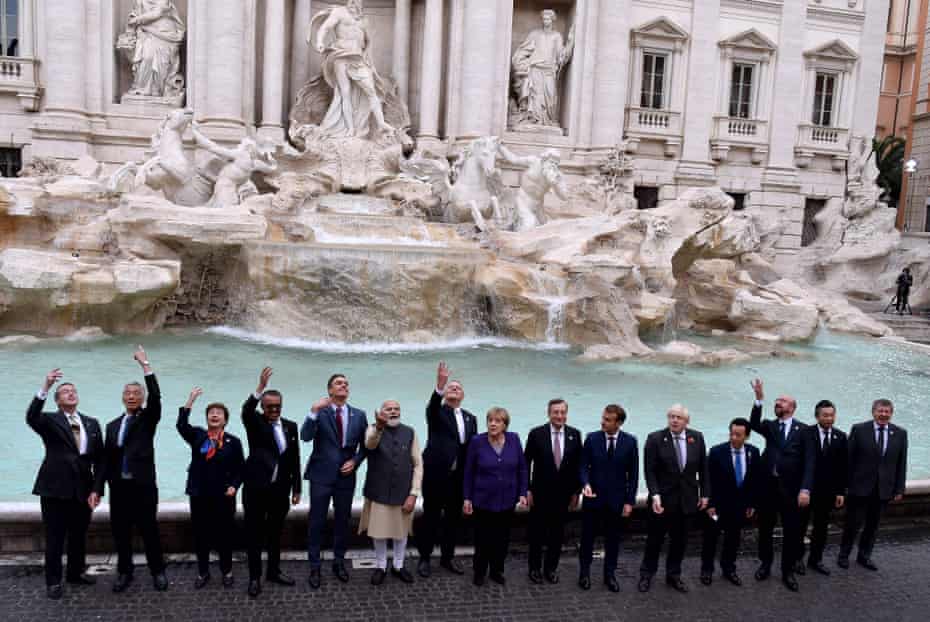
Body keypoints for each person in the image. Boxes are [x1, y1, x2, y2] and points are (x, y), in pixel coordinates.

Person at [27, 369, 105, 599]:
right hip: (54, 488)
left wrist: (97, 489)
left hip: (83, 489)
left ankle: (75, 573)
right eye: (65, 392)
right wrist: (46, 386)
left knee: (79, 535)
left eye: (73, 391)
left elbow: (100, 460)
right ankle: (53, 581)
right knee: (55, 537)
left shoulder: (91, 423)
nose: (70, 394)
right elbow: (31, 416)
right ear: (58, 400)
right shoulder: (49, 420)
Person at [99, 346, 167, 593]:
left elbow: (157, 397)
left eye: (136, 393)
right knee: (121, 534)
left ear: (142, 398)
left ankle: (158, 571)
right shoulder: (112, 426)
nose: (131, 396)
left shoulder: (148, 419)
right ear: (122, 397)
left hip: (143, 486)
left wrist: (145, 365)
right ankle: (124, 572)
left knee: (150, 530)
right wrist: (98, 488)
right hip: (118, 487)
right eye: (127, 393)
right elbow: (106, 459)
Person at [302, 373, 368, 588]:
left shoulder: (359, 414)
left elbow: (366, 446)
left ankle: (338, 561)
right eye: (339, 383)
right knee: (316, 521)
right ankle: (314, 565)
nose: (344, 386)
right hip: (321, 475)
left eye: (346, 384)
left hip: (346, 477)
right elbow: (305, 436)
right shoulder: (319, 413)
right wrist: (313, 412)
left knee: (343, 520)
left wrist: (356, 461)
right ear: (330, 390)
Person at [749, 378, 814, 592]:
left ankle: (787, 571)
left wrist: (805, 488)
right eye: (776, 401)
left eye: (783, 401)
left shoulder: (805, 430)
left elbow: (809, 462)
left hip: (792, 491)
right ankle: (765, 564)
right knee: (765, 529)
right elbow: (754, 424)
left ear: (792, 407)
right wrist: (759, 400)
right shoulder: (769, 426)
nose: (778, 403)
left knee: (792, 532)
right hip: (768, 488)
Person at [241, 367, 301, 598]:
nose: (274, 410)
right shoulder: (255, 423)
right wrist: (259, 389)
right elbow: (245, 410)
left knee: (276, 534)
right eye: (269, 406)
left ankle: (273, 571)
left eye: (278, 406)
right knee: (254, 536)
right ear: (262, 407)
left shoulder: (290, 426)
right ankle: (254, 577)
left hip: (280, 491)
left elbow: (295, 458)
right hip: (256, 491)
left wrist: (296, 488)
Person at [177, 388, 244, 590]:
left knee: (225, 535)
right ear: (207, 418)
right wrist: (190, 401)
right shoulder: (197, 435)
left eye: (219, 413)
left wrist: (234, 485)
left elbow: (240, 468)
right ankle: (203, 571)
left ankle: (227, 571)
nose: (214, 415)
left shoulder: (234, 442)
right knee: (201, 536)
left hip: (224, 496)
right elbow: (181, 425)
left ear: (225, 420)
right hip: (199, 495)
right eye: (211, 412)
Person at [639, 405, 709, 593]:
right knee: (654, 540)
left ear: (687, 421)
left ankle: (673, 575)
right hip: (661, 502)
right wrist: (655, 495)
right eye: (671, 416)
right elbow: (649, 470)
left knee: (680, 541)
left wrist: (705, 494)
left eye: (678, 417)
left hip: (687, 501)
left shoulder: (697, 438)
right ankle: (646, 575)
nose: (674, 420)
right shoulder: (655, 439)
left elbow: (704, 469)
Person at [416, 361, 478, 578]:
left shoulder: (471, 418)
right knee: (430, 517)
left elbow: (472, 449)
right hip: (436, 475)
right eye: (450, 387)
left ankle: (447, 557)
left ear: (463, 395)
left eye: (457, 387)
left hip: (459, 478)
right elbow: (431, 407)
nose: (454, 389)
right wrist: (439, 386)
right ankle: (424, 558)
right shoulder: (437, 412)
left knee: (453, 519)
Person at [838, 399, 908, 571]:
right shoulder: (859, 429)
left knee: (873, 526)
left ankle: (864, 556)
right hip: (859, 487)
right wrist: (845, 486)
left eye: (887, 411)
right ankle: (843, 556)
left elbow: (901, 462)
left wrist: (899, 488)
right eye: (880, 411)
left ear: (891, 413)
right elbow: (849, 459)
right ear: (873, 412)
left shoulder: (900, 433)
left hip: (883, 489)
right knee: (852, 524)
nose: (883, 414)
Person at [309, 0, 395, 137]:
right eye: (351, 1)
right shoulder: (339, 12)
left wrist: (369, 62)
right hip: (341, 55)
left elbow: (368, 43)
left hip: (358, 59)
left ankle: (381, 123)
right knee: (345, 93)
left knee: (371, 91)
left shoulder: (364, 19)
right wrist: (320, 41)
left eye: (356, 1)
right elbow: (325, 27)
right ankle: (350, 129)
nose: (353, 3)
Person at [359, 400, 422, 585]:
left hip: (403, 492)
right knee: (379, 532)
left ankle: (398, 565)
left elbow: (418, 464)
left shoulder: (410, 432)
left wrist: (414, 493)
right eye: (389, 409)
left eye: (396, 409)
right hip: (378, 491)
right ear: (381, 412)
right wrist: (379, 426)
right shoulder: (372, 430)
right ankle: (380, 566)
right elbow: (370, 445)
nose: (393, 412)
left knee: (401, 532)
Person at [462, 407, 528, 586]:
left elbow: (522, 468)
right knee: (483, 539)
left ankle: (497, 570)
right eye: (490, 420)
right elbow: (468, 472)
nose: (493, 424)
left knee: (502, 539)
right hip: (483, 500)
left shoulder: (514, 439)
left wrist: (523, 492)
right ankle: (479, 572)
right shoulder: (477, 441)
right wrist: (467, 498)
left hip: (507, 500)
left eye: (497, 421)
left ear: (505, 424)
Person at [578, 404, 638, 593]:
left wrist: (629, 501)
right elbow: (583, 466)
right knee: (587, 538)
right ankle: (584, 573)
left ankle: (609, 575)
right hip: (593, 498)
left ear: (618, 423)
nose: (602, 422)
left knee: (613, 540)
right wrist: (585, 484)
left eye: (608, 420)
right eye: (603, 418)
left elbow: (633, 475)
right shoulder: (591, 438)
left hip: (616, 501)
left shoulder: (630, 442)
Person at [524, 398, 582, 584]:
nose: (559, 416)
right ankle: (534, 568)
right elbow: (526, 463)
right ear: (549, 413)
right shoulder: (536, 434)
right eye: (555, 412)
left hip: (563, 495)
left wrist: (576, 491)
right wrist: (527, 489)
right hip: (539, 493)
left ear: (567, 413)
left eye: (562, 412)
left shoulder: (575, 434)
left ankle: (550, 568)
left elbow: (578, 466)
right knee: (537, 534)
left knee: (557, 534)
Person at [700, 418, 762, 587]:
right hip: (717, 508)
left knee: (733, 539)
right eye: (732, 433)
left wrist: (752, 504)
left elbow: (755, 481)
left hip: (739, 508)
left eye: (738, 435)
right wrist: (710, 504)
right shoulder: (716, 452)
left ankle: (729, 569)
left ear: (747, 436)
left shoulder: (753, 452)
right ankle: (707, 569)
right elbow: (707, 480)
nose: (734, 437)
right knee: (711, 538)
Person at [799, 400, 848, 575]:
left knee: (821, 527)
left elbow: (843, 467)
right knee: (801, 526)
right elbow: (799, 463)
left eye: (831, 415)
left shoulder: (841, 436)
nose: (829, 418)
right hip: (806, 491)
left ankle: (816, 560)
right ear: (817, 416)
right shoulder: (805, 434)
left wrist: (841, 491)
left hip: (827, 493)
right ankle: (798, 559)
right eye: (825, 415)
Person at [510, 9, 574, 127]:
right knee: (535, 95)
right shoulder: (535, 34)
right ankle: (534, 119)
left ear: (552, 20)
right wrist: (521, 61)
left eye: (548, 19)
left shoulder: (556, 36)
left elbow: (561, 55)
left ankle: (548, 121)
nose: (546, 21)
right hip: (535, 68)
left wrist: (570, 42)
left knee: (550, 96)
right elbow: (524, 49)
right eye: (544, 19)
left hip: (549, 70)